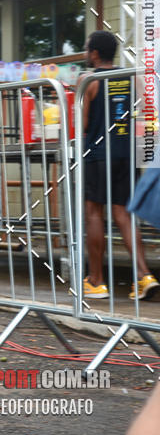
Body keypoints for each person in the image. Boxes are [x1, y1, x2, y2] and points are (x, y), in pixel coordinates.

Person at [80, 30, 158, 301]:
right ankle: (144, 276)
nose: (85, 53)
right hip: (127, 153)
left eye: (86, 49)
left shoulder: (88, 79)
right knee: (124, 213)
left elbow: (84, 123)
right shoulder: (131, 75)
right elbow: (146, 111)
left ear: (94, 53)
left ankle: (96, 281)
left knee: (93, 212)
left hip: (99, 154)